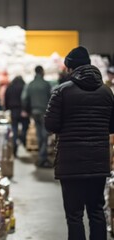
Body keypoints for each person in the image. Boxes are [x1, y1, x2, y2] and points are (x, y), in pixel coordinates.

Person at [45, 46, 114, 240]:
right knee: (96, 211)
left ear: (70, 68)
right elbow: (112, 126)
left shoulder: (61, 91)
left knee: (74, 215)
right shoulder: (107, 92)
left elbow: (50, 124)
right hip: (98, 161)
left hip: (71, 161)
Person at [21, 65, 52, 168]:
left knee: (39, 134)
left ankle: (41, 156)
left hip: (34, 112)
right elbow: (52, 98)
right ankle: (43, 157)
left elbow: (24, 98)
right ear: (42, 71)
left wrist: (27, 110)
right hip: (44, 111)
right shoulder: (46, 84)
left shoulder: (30, 84)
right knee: (44, 134)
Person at [5, 75, 30, 157]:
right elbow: (28, 98)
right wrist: (27, 109)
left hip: (14, 110)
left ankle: (15, 145)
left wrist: (7, 108)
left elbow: (6, 98)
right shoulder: (24, 87)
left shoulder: (10, 87)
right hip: (23, 110)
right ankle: (22, 139)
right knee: (24, 128)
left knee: (14, 129)